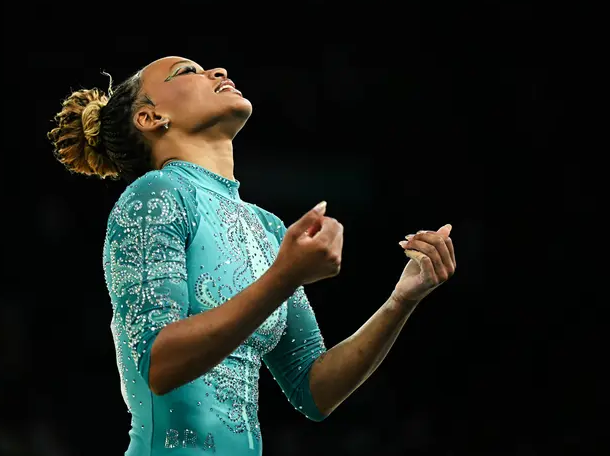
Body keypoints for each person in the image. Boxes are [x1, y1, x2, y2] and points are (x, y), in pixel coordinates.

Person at [47, 56, 456, 455]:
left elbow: (314, 390)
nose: (217, 71)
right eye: (186, 72)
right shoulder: (155, 195)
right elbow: (160, 365)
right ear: (151, 118)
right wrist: (283, 276)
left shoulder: (267, 228)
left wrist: (401, 301)